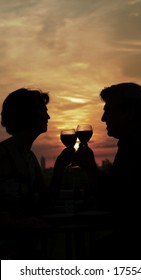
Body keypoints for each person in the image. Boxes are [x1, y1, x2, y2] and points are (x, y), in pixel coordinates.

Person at [76, 82, 141, 259]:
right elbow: (117, 191)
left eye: (109, 111)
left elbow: (127, 204)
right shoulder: (131, 144)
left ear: (130, 112)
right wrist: (90, 169)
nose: (103, 118)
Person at [0, 88, 75, 259]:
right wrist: (18, 226)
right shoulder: (3, 156)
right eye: (43, 111)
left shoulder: (29, 157)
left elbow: (45, 202)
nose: (48, 117)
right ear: (25, 114)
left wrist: (60, 168)